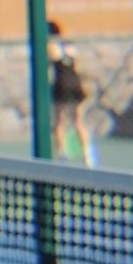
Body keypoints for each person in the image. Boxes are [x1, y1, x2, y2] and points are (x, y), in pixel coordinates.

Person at [47, 20, 95, 166]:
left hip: (63, 83)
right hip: (75, 82)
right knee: (78, 120)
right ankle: (87, 155)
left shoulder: (51, 46)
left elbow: (50, 60)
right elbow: (77, 65)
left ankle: (62, 154)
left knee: (59, 121)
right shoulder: (70, 45)